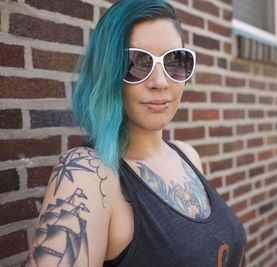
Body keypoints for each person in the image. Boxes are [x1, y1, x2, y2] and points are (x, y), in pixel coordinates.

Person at [26, 0, 247, 266]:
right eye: (137, 63)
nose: (160, 82)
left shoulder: (188, 155)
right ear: (108, 70)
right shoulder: (87, 174)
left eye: (174, 61)